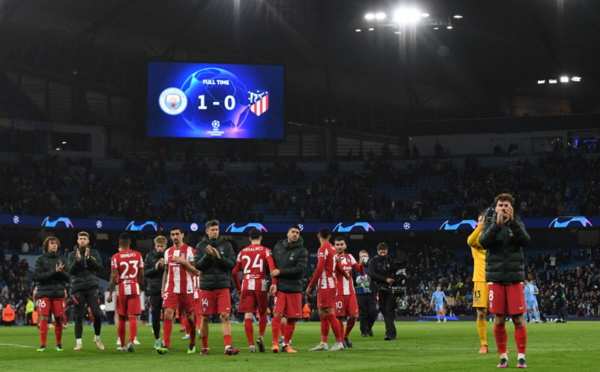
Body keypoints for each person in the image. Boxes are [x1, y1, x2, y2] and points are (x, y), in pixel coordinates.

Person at [479, 193, 531, 369]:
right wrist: (497, 224)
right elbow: (483, 242)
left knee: (518, 319)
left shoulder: (517, 222)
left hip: (515, 278)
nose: (503, 208)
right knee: (499, 319)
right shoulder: (490, 223)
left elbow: (525, 240)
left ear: (511, 208)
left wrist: (513, 222)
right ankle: (503, 357)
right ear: (496, 208)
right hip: (496, 278)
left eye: (506, 205)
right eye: (500, 205)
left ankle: (521, 357)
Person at [194, 220, 239, 356]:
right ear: (207, 231)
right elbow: (197, 265)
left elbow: (232, 264)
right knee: (205, 317)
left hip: (222, 286)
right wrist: (207, 256)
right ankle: (205, 347)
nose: (215, 232)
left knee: (225, 316)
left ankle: (228, 346)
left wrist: (219, 258)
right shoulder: (201, 246)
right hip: (207, 287)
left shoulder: (226, 245)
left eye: (217, 229)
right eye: (212, 230)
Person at [231, 228, 277, 353]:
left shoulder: (243, 252)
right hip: (260, 285)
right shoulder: (266, 251)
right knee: (262, 313)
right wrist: (274, 283)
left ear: (250, 239)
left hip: (246, 285)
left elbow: (235, 272)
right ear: (260, 238)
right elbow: (272, 269)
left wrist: (238, 289)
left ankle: (251, 345)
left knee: (248, 315)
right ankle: (260, 336)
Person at [157, 226, 200, 355]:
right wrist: (163, 288)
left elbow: (197, 271)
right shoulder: (168, 252)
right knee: (168, 314)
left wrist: (184, 262)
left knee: (189, 317)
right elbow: (165, 271)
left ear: (182, 235)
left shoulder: (190, 251)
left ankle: (192, 342)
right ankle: (166, 345)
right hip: (171, 288)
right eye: (172, 234)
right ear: (170, 236)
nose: (175, 236)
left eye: (177, 234)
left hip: (187, 288)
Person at [306, 227, 347, 352]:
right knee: (322, 314)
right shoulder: (333, 249)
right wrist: (346, 274)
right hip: (328, 283)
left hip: (326, 284)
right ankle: (324, 343)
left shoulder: (323, 249)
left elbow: (319, 269)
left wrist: (310, 286)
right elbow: (338, 266)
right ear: (329, 236)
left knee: (329, 313)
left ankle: (339, 342)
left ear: (318, 236)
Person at [270, 225, 308, 353]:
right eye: (293, 232)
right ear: (287, 233)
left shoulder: (302, 251)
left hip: (295, 287)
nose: (295, 234)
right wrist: (273, 281)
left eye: (297, 233)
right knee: (278, 314)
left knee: (292, 318)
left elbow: (299, 270)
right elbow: (272, 266)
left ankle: (286, 345)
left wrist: (280, 272)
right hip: (281, 287)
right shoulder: (278, 247)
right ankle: (275, 343)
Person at [66, 231, 104, 351]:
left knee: (97, 314)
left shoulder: (94, 253)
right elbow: (70, 271)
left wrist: (88, 258)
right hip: (78, 289)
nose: (82, 240)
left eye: (84, 238)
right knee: (78, 316)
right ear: (77, 241)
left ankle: (97, 337)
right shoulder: (72, 255)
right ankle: (79, 344)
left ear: (88, 241)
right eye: (80, 238)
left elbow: (98, 267)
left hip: (92, 287)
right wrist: (78, 260)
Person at [107, 233, 144, 352]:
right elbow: (142, 275)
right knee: (133, 317)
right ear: (129, 243)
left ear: (119, 243)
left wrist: (111, 292)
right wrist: (140, 287)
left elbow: (113, 276)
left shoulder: (115, 257)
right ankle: (131, 341)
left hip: (122, 288)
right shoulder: (138, 255)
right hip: (134, 287)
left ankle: (122, 345)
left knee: (122, 317)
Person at [33, 237, 69, 351]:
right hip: (44, 293)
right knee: (44, 317)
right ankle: (43, 345)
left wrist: (61, 271)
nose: (54, 245)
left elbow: (68, 276)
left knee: (58, 318)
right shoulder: (40, 259)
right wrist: (54, 271)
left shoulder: (62, 258)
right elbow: (38, 276)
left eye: (56, 244)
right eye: (51, 243)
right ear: (46, 246)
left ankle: (58, 345)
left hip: (58, 293)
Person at [333, 236, 364, 347]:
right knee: (339, 317)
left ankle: (346, 335)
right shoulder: (332, 258)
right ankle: (340, 340)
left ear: (345, 246)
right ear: (334, 246)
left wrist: (361, 264)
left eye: (341, 244)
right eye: (337, 244)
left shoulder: (349, 257)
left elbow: (359, 270)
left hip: (350, 292)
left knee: (353, 315)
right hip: (338, 293)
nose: (340, 247)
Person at [369, 242, 402, 340]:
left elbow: (400, 276)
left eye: (384, 252)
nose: (382, 254)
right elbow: (372, 273)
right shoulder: (373, 261)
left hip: (393, 289)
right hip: (381, 289)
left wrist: (399, 295)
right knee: (384, 310)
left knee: (388, 310)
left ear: (387, 251)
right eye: (381, 252)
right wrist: (385, 279)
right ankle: (392, 331)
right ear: (377, 251)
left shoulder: (392, 261)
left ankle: (389, 334)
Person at [467, 212, 490, 353]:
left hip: (495, 278)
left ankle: (502, 345)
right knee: (481, 313)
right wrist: (481, 224)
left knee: (500, 314)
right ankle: (484, 344)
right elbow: (469, 240)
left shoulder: (495, 237)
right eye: (480, 220)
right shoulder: (475, 240)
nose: (482, 222)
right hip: (480, 279)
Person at [144, 235, 167, 349]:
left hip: (167, 290)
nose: (159, 248)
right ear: (155, 246)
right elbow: (145, 273)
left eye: (161, 246)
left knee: (168, 316)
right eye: (158, 246)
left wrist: (165, 267)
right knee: (156, 316)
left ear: (165, 246)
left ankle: (166, 340)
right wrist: (156, 267)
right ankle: (157, 339)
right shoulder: (149, 257)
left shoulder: (169, 256)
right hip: (154, 291)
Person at [355, 250, 378, 338]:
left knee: (373, 312)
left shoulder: (372, 267)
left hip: (370, 293)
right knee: (363, 313)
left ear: (368, 258)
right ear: (359, 258)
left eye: (365, 256)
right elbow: (352, 280)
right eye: (362, 256)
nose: (364, 258)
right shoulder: (355, 268)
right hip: (360, 294)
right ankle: (364, 331)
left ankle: (369, 326)